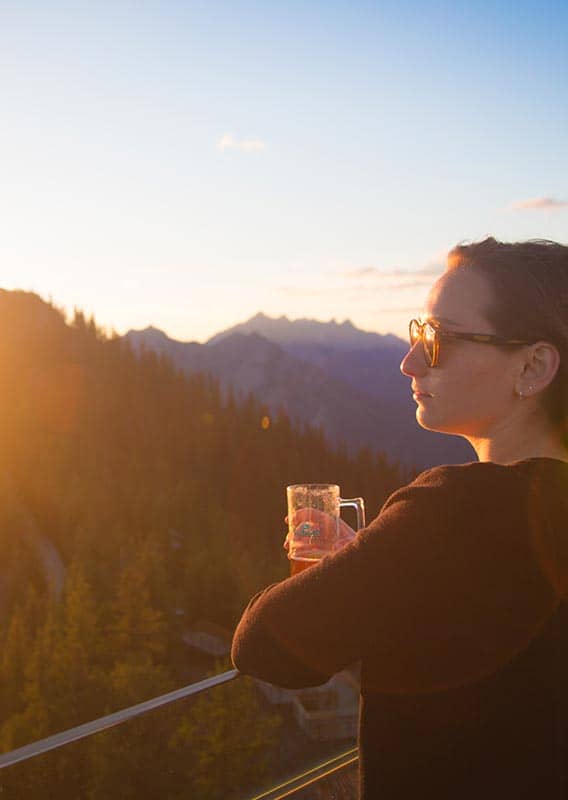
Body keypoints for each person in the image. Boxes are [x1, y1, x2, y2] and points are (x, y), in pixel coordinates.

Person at [231, 238, 568, 799]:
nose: (410, 359)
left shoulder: (449, 509)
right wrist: (377, 569)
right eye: (418, 332)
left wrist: (365, 565)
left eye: (438, 338)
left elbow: (262, 645)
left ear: (533, 365)